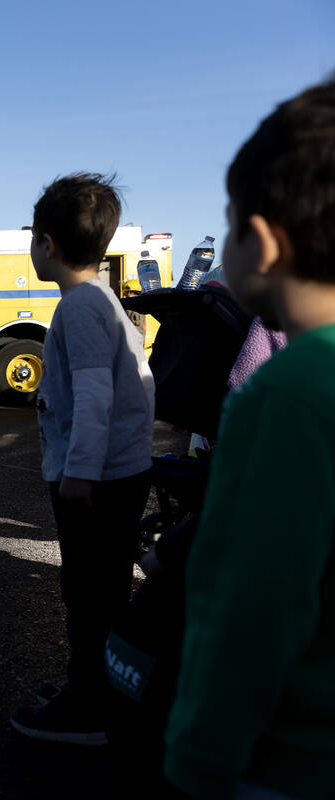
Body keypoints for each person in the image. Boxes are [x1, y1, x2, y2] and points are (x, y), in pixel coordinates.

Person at [164, 78, 335, 800]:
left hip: (286, 757)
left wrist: (198, 756)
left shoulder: (286, 393)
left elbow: (252, 603)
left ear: (260, 243)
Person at [9, 173, 155, 745]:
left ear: (47, 244)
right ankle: (103, 688)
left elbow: (95, 394)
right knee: (106, 587)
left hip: (97, 478)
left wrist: (80, 471)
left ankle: (89, 705)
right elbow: (137, 387)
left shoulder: (77, 309)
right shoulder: (105, 303)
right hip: (123, 471)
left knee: (89, 593)